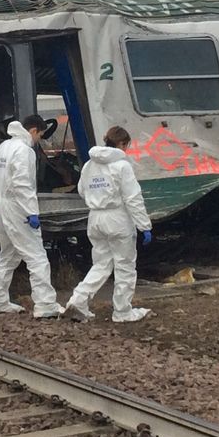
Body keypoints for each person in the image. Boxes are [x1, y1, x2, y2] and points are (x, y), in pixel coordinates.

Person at [64, 125, 153, 323]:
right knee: (125, 266)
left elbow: (81, 190)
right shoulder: (122, 166)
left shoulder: (89, 165)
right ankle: (122, 312)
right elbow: (133, 198)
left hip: (95, 218)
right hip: (117, 219)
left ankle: (78, 300)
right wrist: (144, 226)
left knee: (102, 264)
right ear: (122, 143)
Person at [0, 114, 64, 319]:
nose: (38, 140)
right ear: (33, 130)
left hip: (1, 206)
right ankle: (45, 305)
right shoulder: (24, 150)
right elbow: (22, 184)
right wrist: (31, 213)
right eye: (40, 135)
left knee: (7, 256)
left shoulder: (2, 148)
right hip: (17, 209)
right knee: (36, 256)